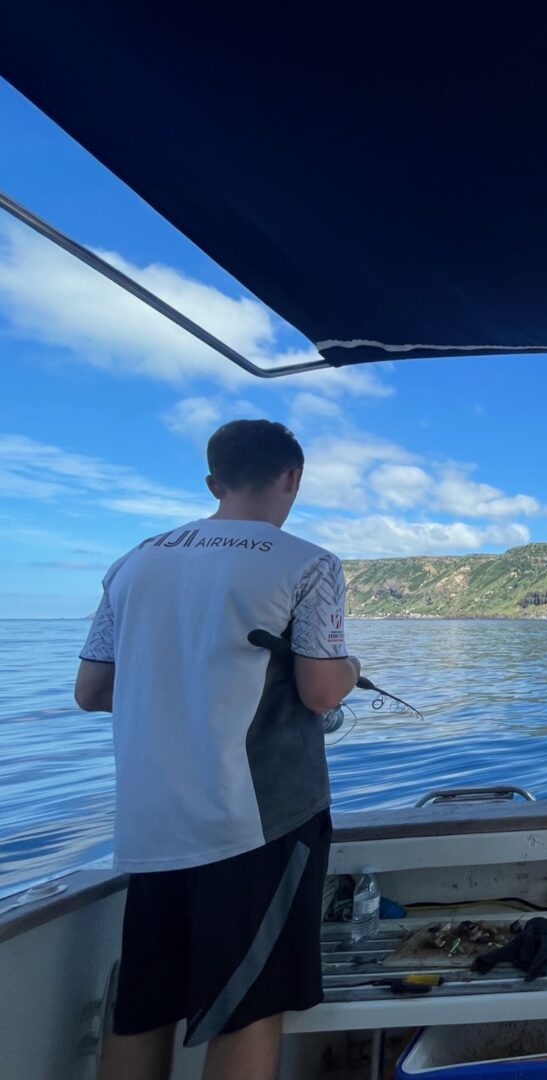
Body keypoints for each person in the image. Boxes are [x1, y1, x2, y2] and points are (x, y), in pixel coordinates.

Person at [74, 419, 361, 1080]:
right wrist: (349, 668)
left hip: (150, 823)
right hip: (253, 823)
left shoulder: (133, 562)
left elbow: (92, 690)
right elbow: (321, 690)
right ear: (292, 478)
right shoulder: (308, 563)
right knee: (247, 1009)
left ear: (213, 481)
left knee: (142, 1009)